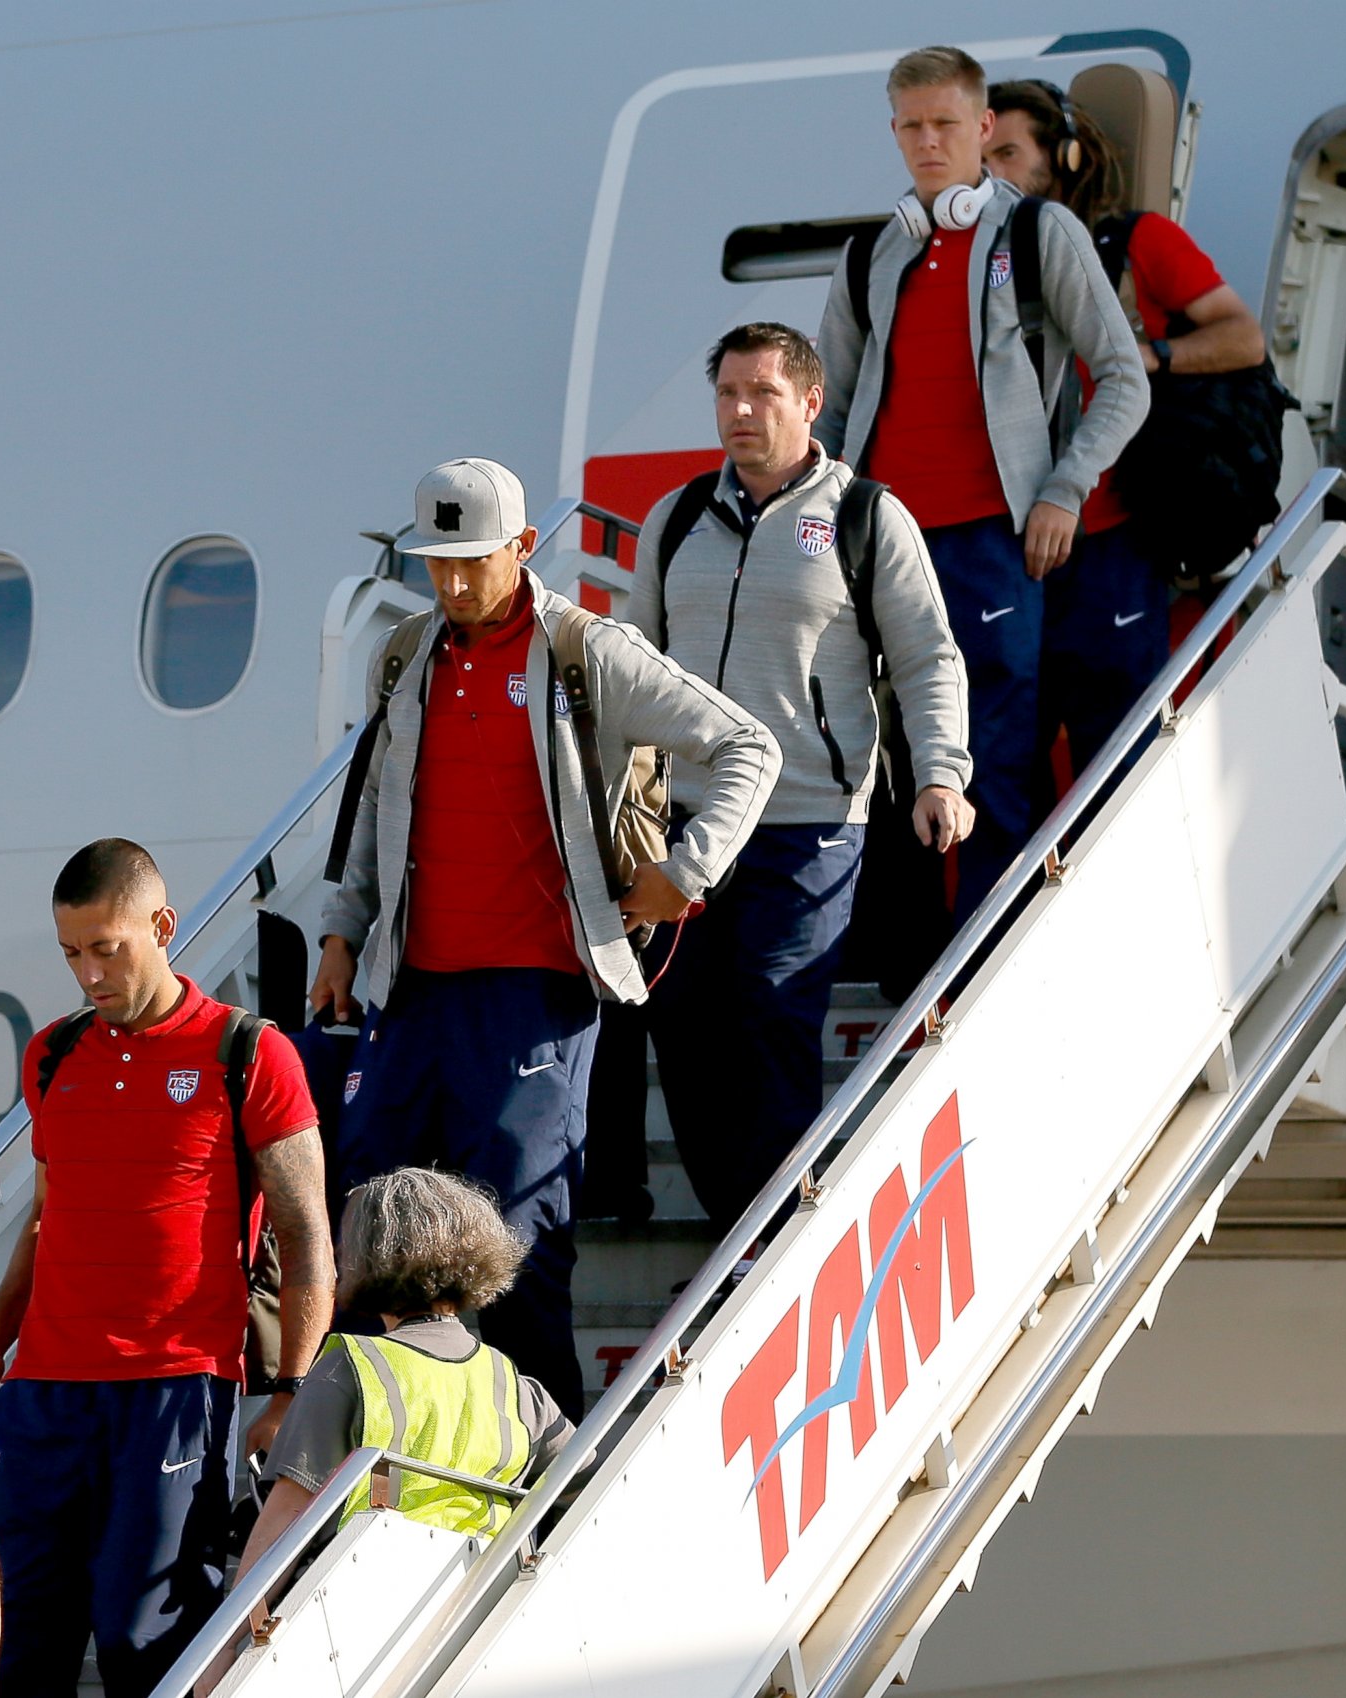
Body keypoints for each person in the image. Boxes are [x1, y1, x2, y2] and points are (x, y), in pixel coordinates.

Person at [311, 456, 779, 1414]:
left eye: (471, 563)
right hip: (411, 993)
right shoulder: (403, 654)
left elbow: (748, 745)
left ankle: (545, 1471)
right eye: (435, 563)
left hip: (533, 997)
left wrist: (683, 874)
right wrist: (340, 933)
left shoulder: (585, 651)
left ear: (523, 549)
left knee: (517, 1246)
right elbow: (370, 811)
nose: (450, 584)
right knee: (369, 1226)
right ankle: (369, 1450)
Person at [0, 837, 333, 1698]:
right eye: (71, 954)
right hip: (44, 1392)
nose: (88, 973)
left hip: (175, 1389)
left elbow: (309, 1238)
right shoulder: (51, 1055)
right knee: (16, 1646)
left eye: (106, 948)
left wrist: (291, 1390)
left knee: (144, 1642)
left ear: (162, 927)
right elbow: (44, 1221)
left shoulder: (249, 1053)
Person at [628, 322, 973, 1236]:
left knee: (772, 1015)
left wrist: (941, 774)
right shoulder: (675, 520)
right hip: (690, 822)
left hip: (811, 819)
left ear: (810, 401)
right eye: (728, 394)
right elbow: (636, 673)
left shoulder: (865, 517)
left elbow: (928, 658)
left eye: (763, 394)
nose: (741, 412)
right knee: (686, 1024)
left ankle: (775, 1242)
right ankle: (737, 1222)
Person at [816, 45, 1145, 934]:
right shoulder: (870, 257)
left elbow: (1124, 376)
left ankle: (991, 965)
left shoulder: (1041, 234)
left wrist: (1063, 489)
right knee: (883, 765)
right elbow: (830, 407)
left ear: (983, 127)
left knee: (993, 763)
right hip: (881, 550)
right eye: (912, 127)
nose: (929, 142)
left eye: (947, 125)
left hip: (994, 546)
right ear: (894, 132)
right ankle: (908, 972)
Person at [984, 77, 1271, 777]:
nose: (990, 175)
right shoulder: (976, 271)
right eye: (982, 158)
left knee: (1115, 761)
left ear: (1069, 159)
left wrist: (1149, 355)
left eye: (1009, 154)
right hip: (1007, 548)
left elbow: (1244, 341)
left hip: (1113, 545)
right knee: (1000, 764)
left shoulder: (1139, 241)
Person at [195, 1167, 574, 1692]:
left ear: (366, 1255)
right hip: (478, 1622)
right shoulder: (511, 1382)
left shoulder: (349, 1364)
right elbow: (581, 1474)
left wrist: (219, 1657)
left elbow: (285, 1521)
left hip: (357, 1626)